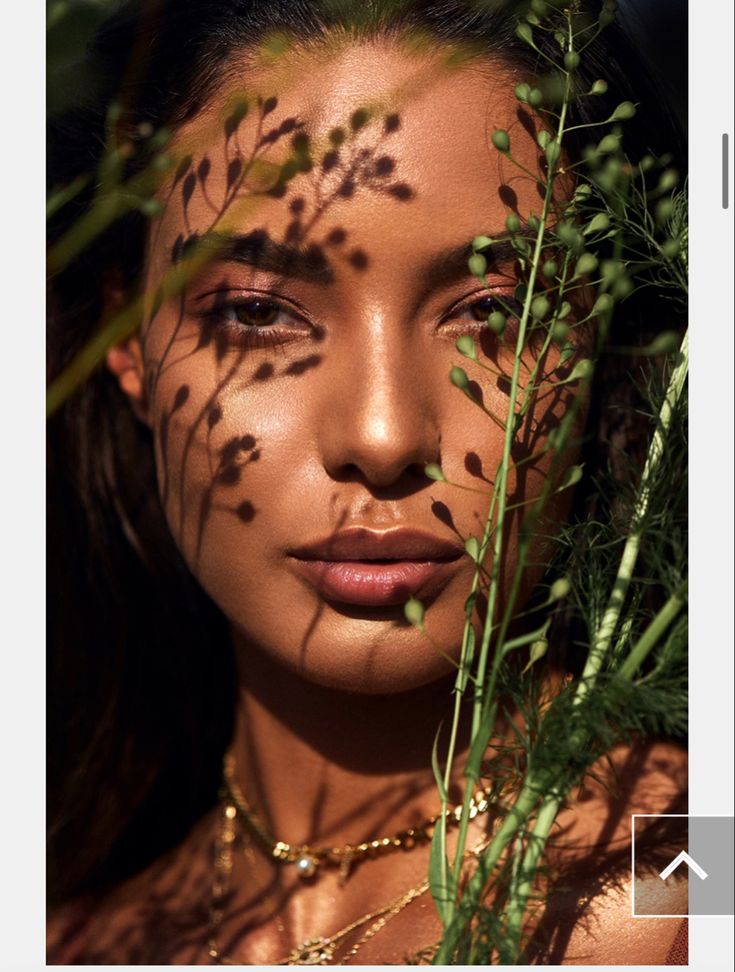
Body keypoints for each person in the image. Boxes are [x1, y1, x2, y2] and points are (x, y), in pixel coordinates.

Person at [47, 0, 688, 964]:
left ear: (594, 342)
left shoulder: (689, 869)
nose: (384, 437)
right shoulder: (76, 938)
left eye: (493, 313)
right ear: (128, 341)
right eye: (258, 313)